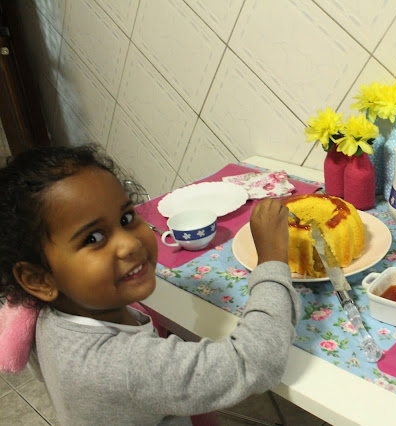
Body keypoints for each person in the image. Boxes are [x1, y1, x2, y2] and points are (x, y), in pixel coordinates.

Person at [0, 144, 301, 425]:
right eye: (93, 238)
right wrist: (273, 257)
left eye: (127, 217)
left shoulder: (43, 309)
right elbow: (254, 362)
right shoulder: (121, 367)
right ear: (38, 279)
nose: (129, 243)